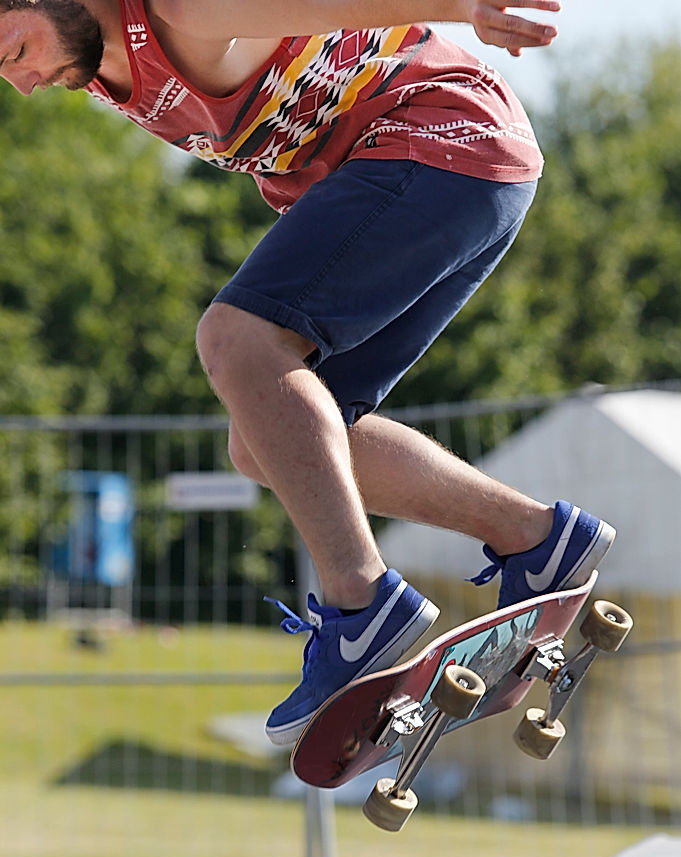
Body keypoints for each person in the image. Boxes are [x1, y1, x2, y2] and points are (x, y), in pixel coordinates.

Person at [0, 0, 615, 747]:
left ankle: (362, 604)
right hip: (466, 172)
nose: (24, 84)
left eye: (15, 53)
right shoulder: (97, 60)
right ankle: (536, 538)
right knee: (265, 443)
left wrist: (460, 7)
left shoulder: (179, 11)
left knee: (235, 339)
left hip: (436, 141)